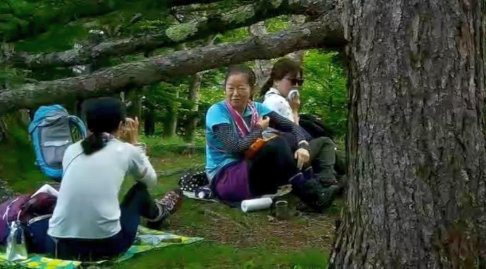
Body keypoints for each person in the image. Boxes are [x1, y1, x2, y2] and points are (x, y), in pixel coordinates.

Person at [28, 97, 182, 261]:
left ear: (87, 124)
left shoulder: (71, 150)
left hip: (57, 245)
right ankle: (159, 213)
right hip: (105, 246)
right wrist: (135, 143)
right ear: (121, 124)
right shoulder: (127, 150)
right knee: (139, 191)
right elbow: (150, 181)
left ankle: (158, 212)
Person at [205, 65, 335, 210]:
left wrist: (302, 145)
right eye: (230, 88)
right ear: (225, 89)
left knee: (288, 138)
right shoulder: (217, 111)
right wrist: (259, 128)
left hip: (251, 170)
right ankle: (312, 194)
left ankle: (316, 184)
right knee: (276, 145)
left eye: (241, 88)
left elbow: (293, 127)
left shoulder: (257, 109)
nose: (235, 93)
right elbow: (235, 148)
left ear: (251, 89)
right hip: (226, 178)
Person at [261, 58, 343, 187]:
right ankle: (327, 180)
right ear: (276, 81)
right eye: (292, 81)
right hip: (286, 157)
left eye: (300, 82)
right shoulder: (278, 102)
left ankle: (332, 176)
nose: (296, 86)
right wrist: (294, 110)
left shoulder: (267, 99)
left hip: (277, 156)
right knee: (325, 142)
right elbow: (296, 136)